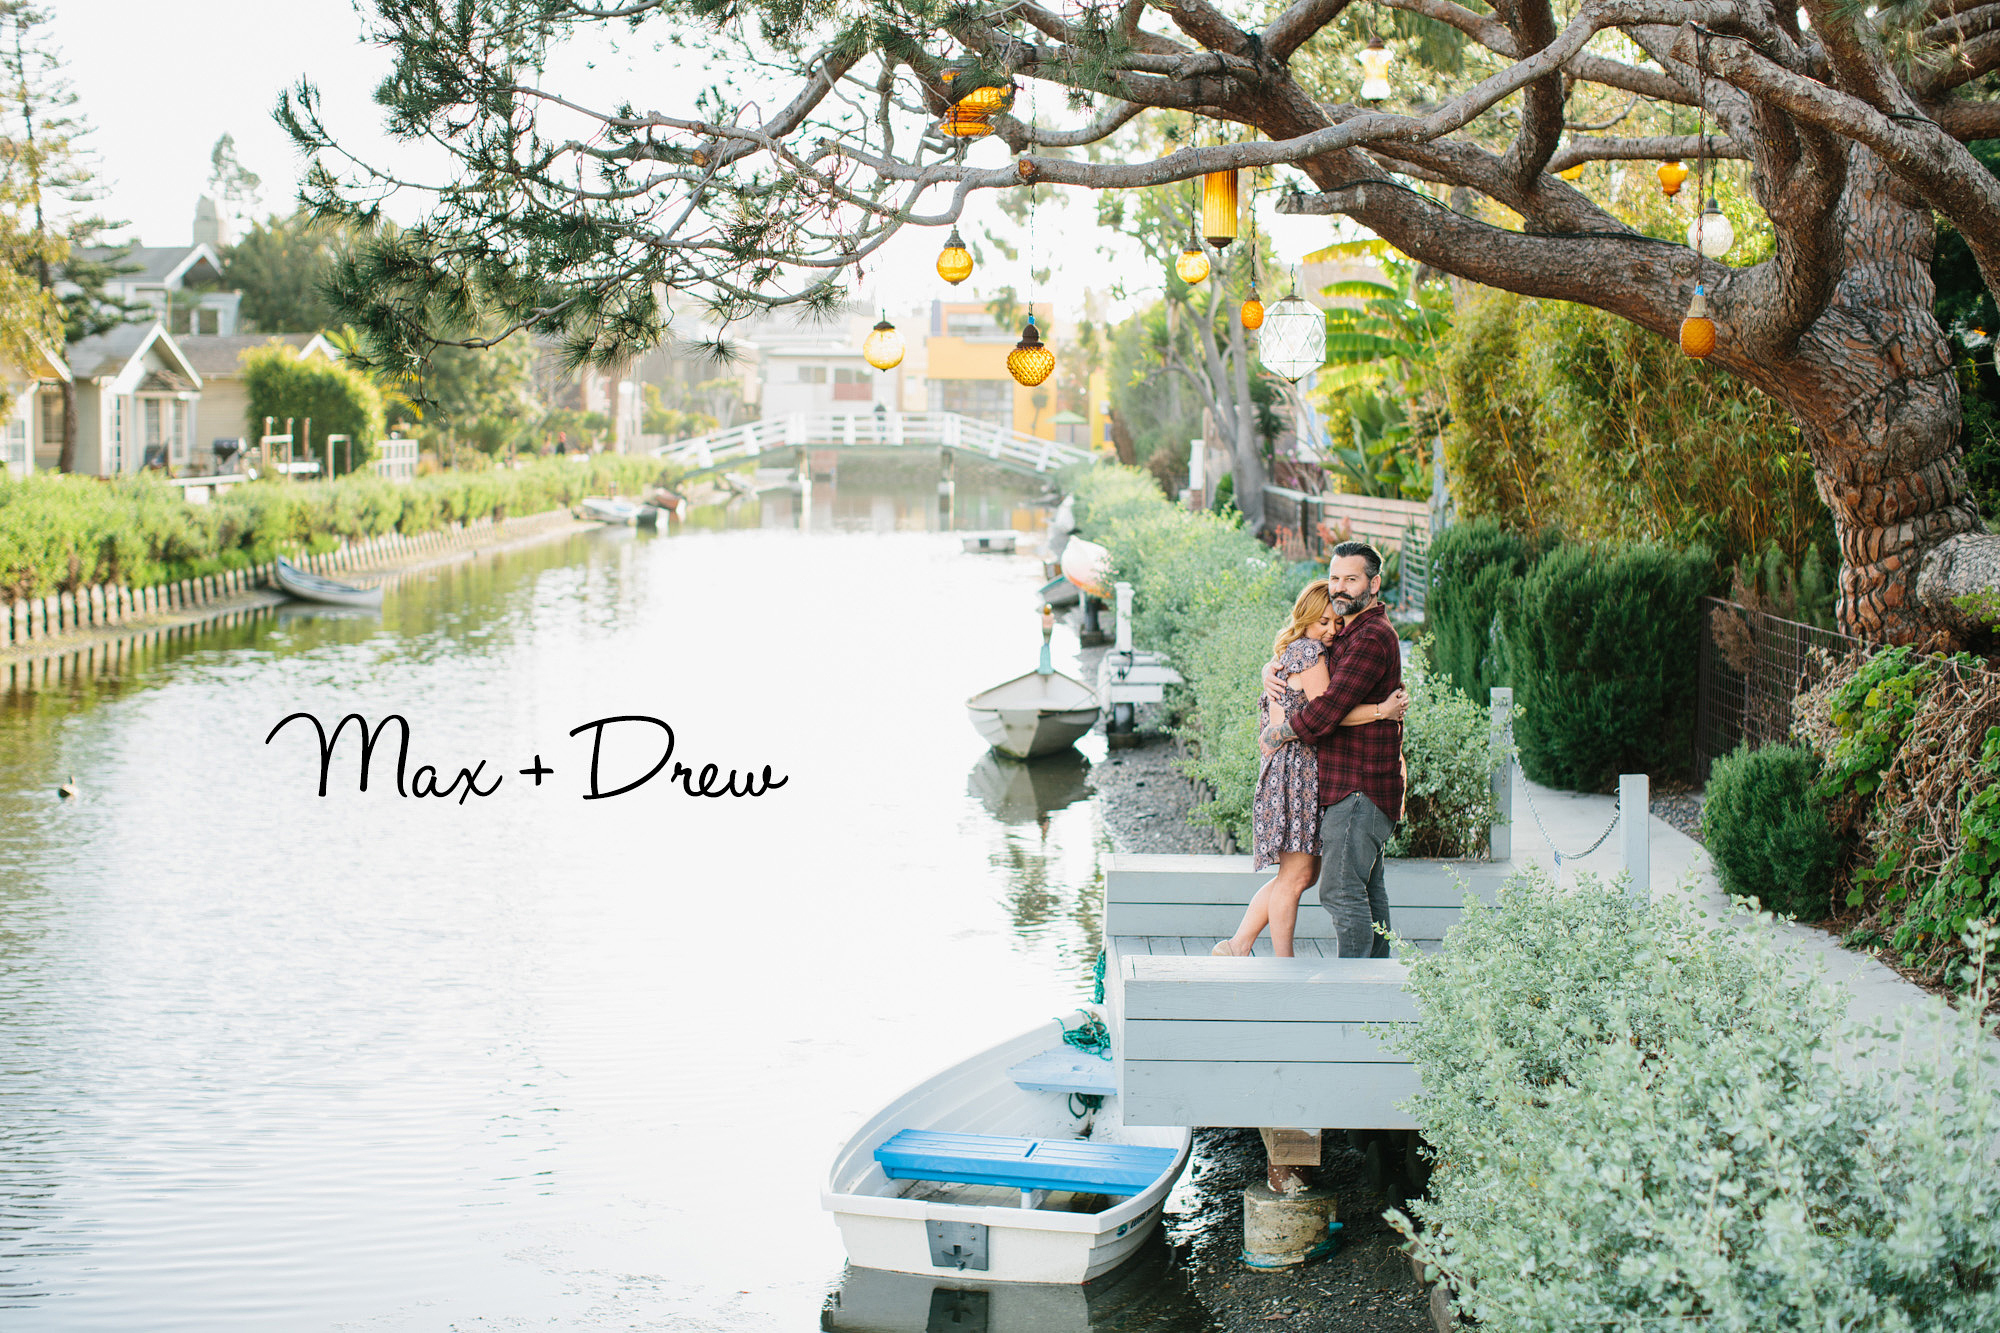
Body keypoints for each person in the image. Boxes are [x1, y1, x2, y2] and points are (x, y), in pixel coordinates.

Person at [1213, 579, 1408, 958]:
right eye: (1322, 622)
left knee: (1298, 875)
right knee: (1298, 876)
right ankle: (1281, 961)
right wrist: (1383, 711)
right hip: (1295, 775)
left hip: (1293, 771)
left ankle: (1239, 944)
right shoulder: (1308, 651)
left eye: (1335, 623)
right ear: (1303, 619)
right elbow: (1327, 713)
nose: (1330, 631)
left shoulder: (1295, 651)